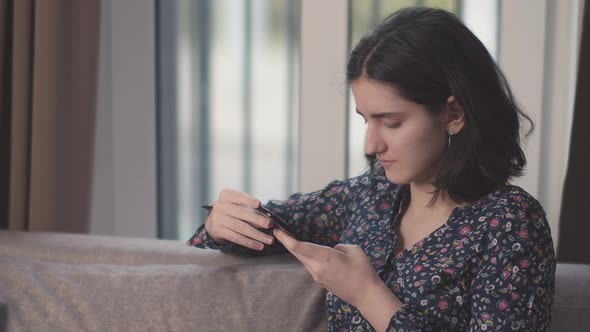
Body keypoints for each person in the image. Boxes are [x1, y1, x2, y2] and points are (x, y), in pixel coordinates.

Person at [188, 6, 556, 332]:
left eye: (391, 122)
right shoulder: (371, 196)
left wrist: (367, 293)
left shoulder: (511, 223)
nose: (370, 145)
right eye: (366, 120)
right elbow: (261, 229)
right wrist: (221, 225)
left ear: (454, 114)